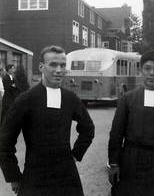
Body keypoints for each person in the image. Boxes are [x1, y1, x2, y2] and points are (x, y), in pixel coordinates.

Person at [0, 45, 95, 196]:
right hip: (35, 177)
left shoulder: (70, 98)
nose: (59, 70)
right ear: (41, 67)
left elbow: (88, 128)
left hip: (67, 176)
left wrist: (76, 154)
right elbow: (5, 142)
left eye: (62, 65)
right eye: (53, 64)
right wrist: (14, 177)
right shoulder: (25, 99)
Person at [108, 50, 154, 196]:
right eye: (147, 68)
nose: (152, 73)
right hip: (129, 160)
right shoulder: (127, 99)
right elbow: (116, 134)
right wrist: (114, 163)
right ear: (141, 71)